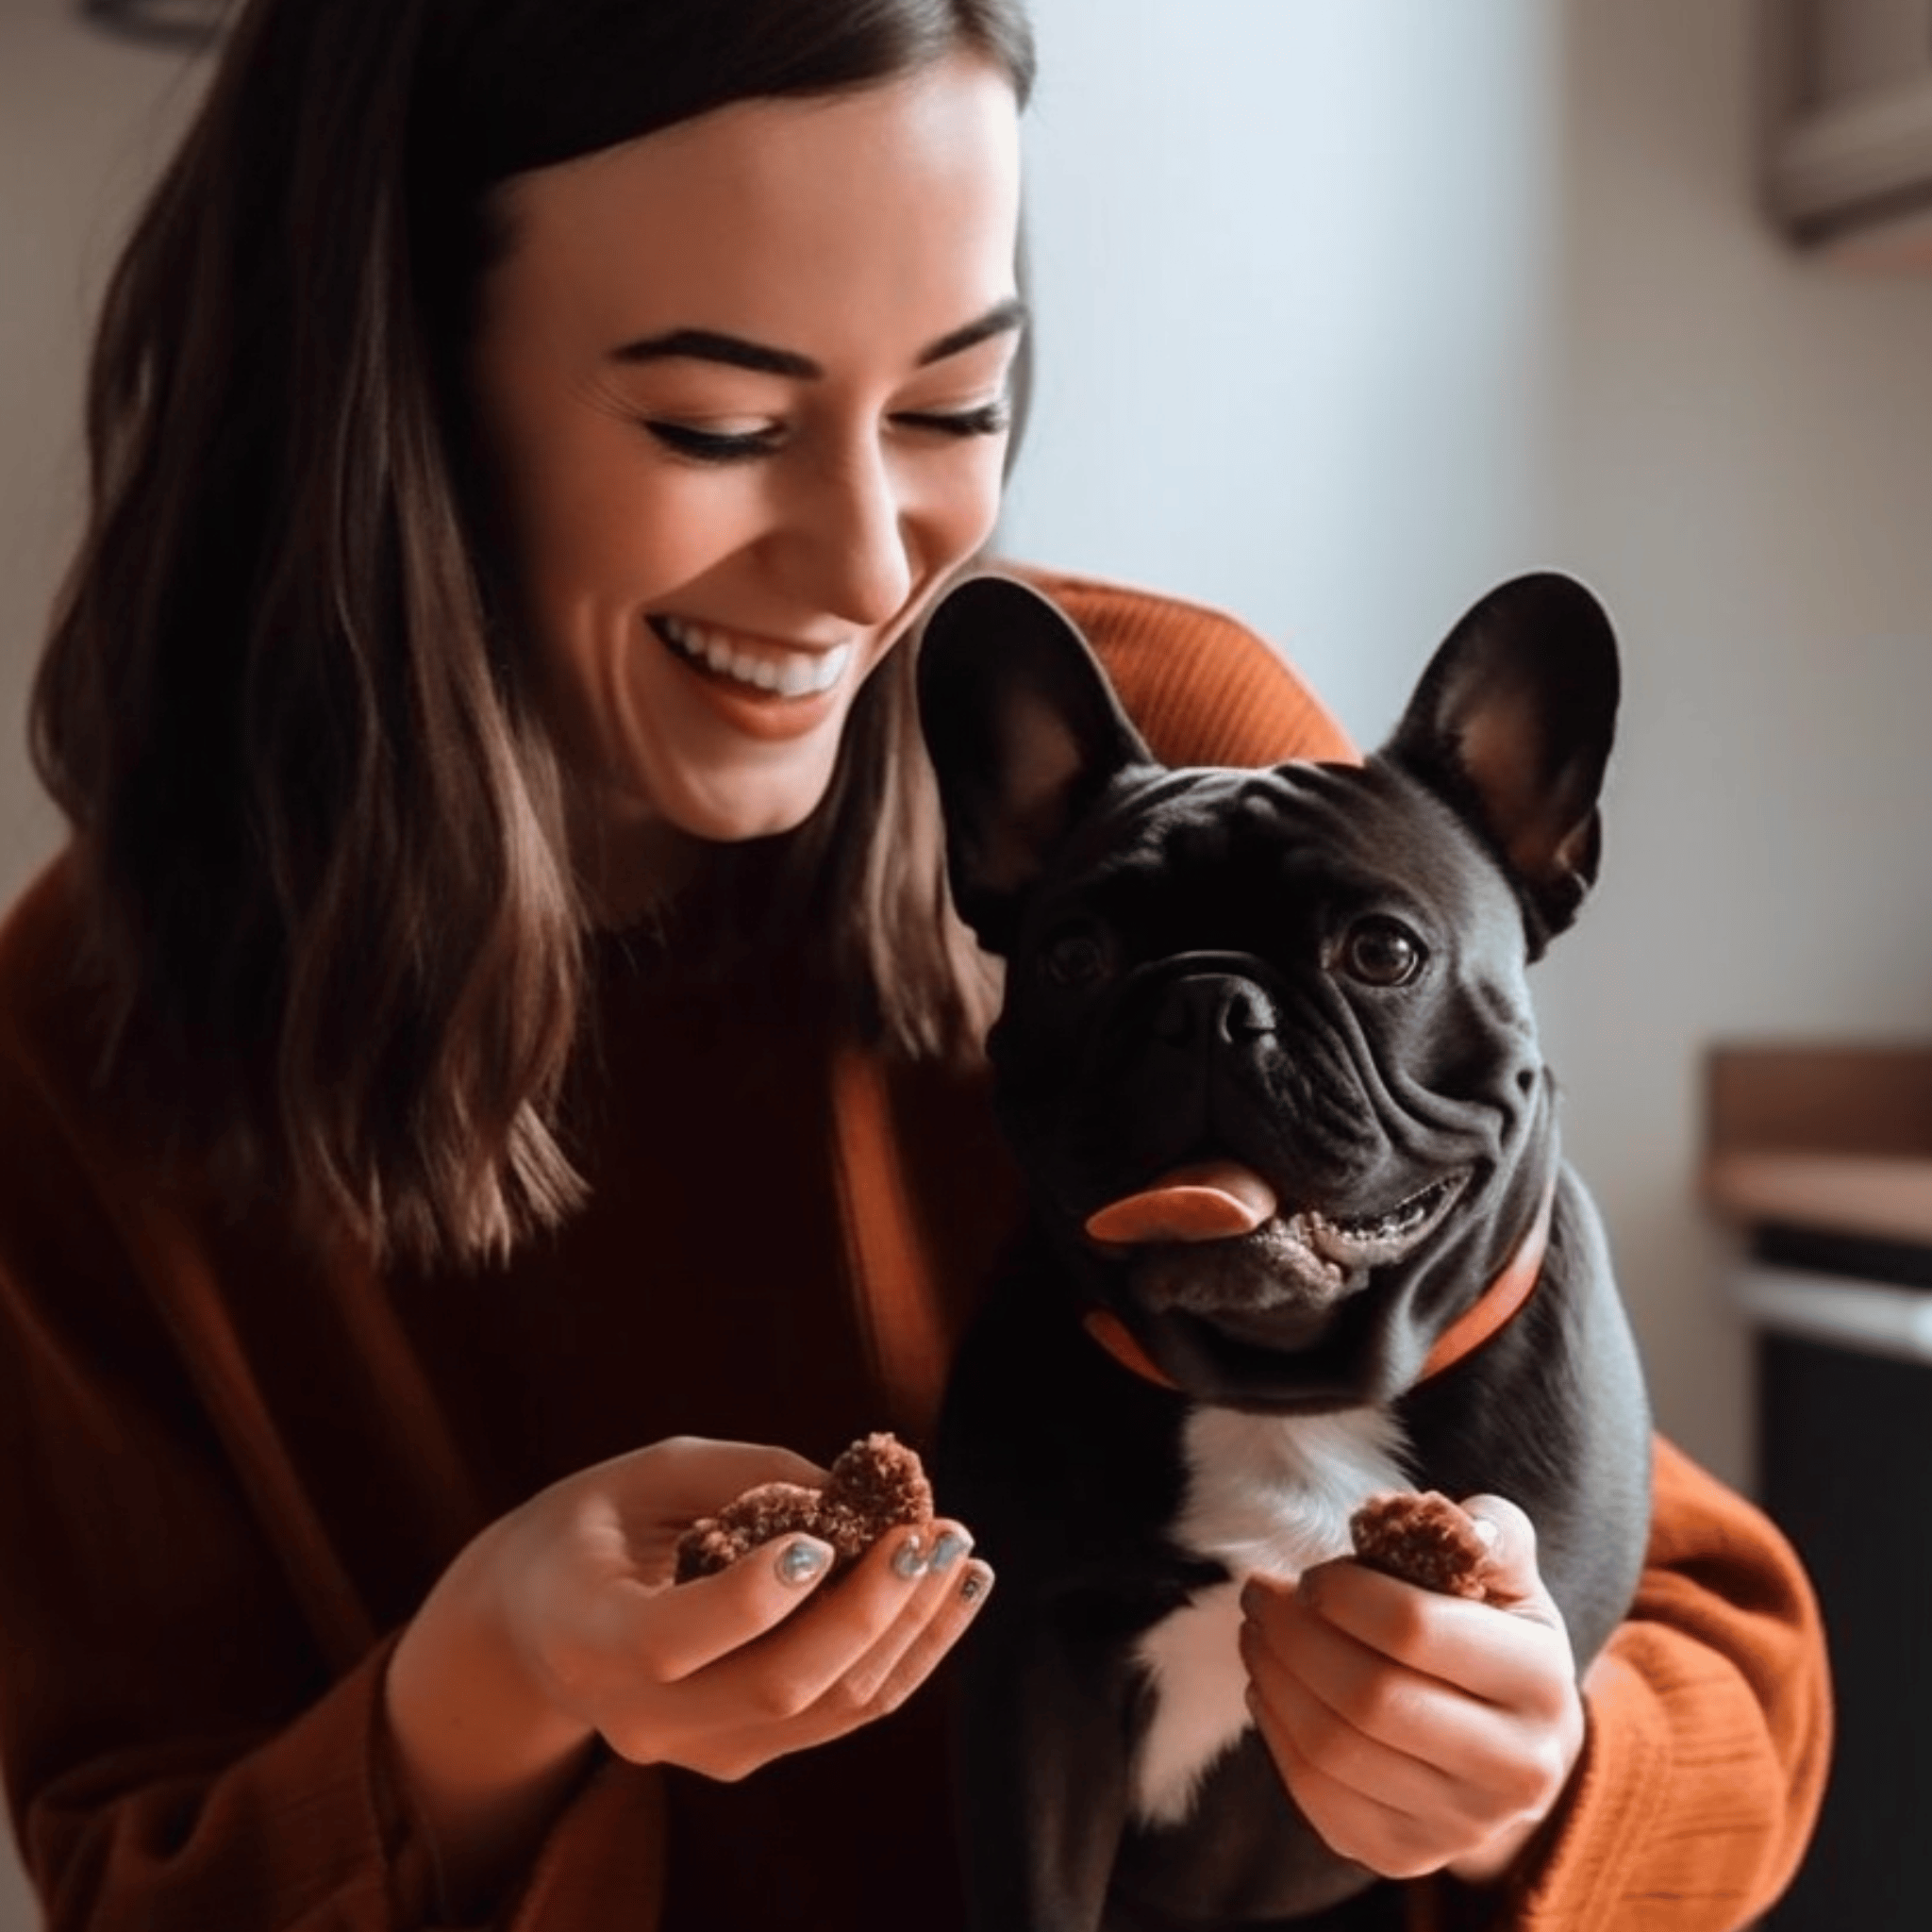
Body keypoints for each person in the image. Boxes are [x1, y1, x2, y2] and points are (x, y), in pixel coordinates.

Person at [0, 2, 1828, 1927]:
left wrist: (1509, 1774)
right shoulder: (82, 1044)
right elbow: (143, 1874)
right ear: (390, 384)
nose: (869, 561)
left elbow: (1729, 1689)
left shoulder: (1179, 796)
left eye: (954, 406)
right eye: (717, 423)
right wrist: (492, 1678)